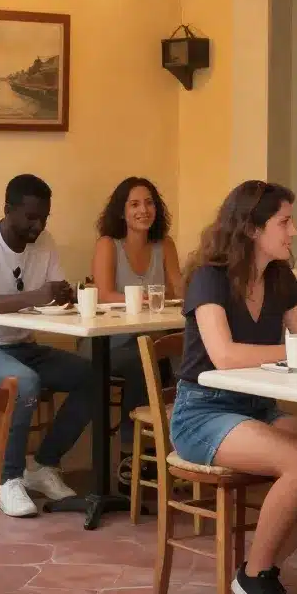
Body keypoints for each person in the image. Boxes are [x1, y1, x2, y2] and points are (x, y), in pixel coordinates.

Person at [170, 180, 297, 594]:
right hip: (203, 413)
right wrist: (292, 351)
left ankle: (262, 565)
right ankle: (254, 574)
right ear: (251, 228)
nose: (294, 232)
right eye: (284, 222)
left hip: (257, 409)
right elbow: (224, 355)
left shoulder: (279, 277)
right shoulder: (208, 278)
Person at [0, 174, 93, 519]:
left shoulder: (45, 242)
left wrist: (65, 296)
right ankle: (6, 479)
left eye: (44, 217)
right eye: (31, 217)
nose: (38, 226)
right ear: (8, 210)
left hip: (25, 344)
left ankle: (44, 465)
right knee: (24, 382)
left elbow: (52, 292)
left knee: (93, 375)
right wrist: (35, 296)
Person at [89, 177, 183, 482]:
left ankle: (180, 448)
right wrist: (144, 300)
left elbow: (178, 291)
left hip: (152, 338)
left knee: (186, 356)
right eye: (135, 204)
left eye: (149, 203)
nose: (144, 210)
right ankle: (131, 456)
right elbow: (103, 294)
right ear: (121, 211)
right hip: (110, 344)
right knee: (145, 362)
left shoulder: (164, 245)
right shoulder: (108, 244)